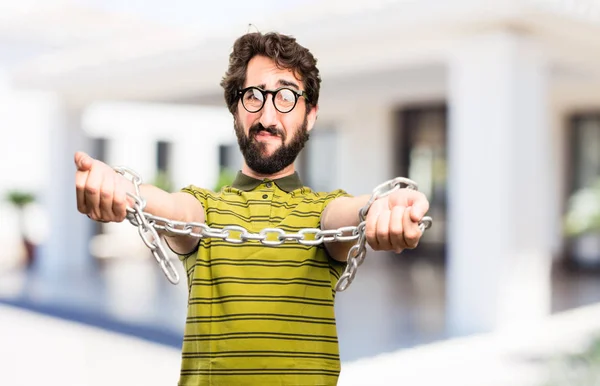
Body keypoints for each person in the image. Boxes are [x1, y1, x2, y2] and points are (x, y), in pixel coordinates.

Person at [74, 31, 430, 386]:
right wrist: (121, 189)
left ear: (310, 115)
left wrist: (384, 206)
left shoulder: (323, 212)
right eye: (253, 96)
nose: (268, 114)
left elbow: (349, 213)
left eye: (287, 96)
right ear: (235, 109)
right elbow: (173, 209)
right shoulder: (205, 207)